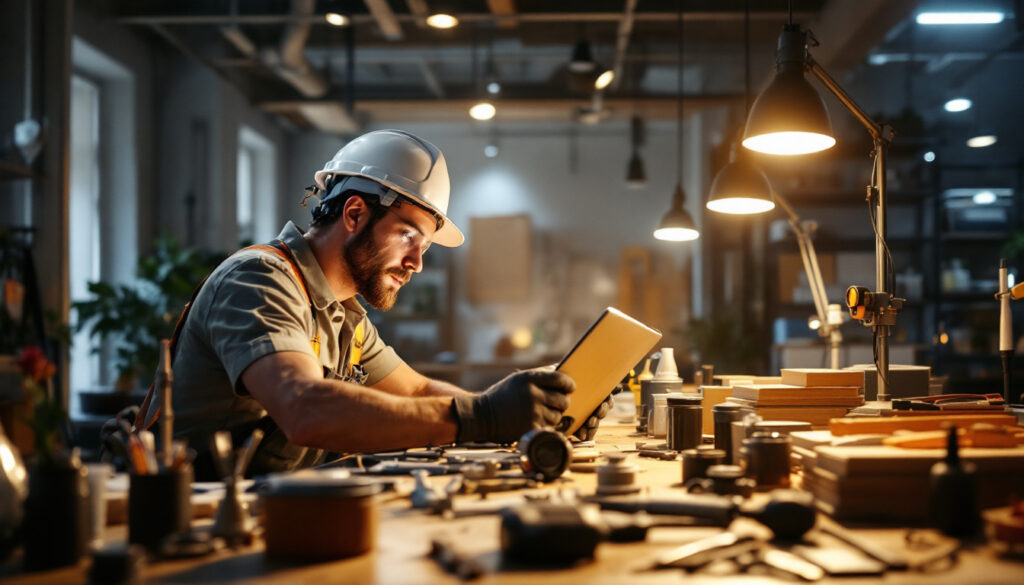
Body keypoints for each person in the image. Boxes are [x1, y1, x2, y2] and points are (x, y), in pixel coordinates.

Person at [137, 129, 611, 479]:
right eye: (409, 237)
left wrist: (528, 415)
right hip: (190, 534)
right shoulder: (260, 280)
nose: (417, 263)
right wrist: (482, 417)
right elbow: (304, 408)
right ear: (355, 213)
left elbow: (416, 392)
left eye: (424, 246)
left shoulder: (345, 315)